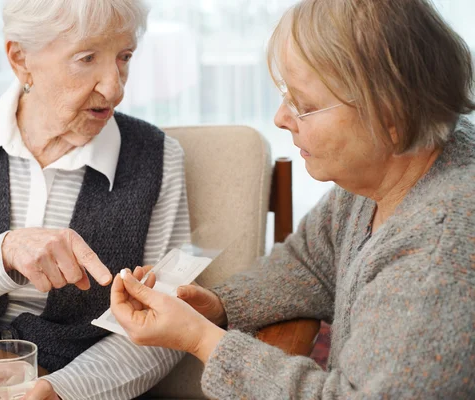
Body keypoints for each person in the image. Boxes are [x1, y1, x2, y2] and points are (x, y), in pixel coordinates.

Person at [110, 0, 475, 398]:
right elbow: (310, 261)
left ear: (390, 115)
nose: (281, 118)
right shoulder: (375, 181)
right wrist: (219, 305)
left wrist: (203, 341)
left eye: (304, 105)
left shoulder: (439, 258)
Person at [0, 0, 190, 399]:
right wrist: (5, 253)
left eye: (124, 57)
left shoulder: (155, 158)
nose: (114, 87)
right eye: (87, 57)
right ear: (21, 59)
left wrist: (64, 389)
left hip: (65, 381)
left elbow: (163, 324)